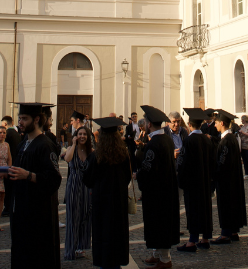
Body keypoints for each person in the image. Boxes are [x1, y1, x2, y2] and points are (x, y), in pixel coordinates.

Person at [8, 102, 63, 269]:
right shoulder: (23, 143)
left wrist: (29, 176)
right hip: (22, 209)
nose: (20, 122)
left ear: (37, 119)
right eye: (19, 118)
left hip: (39, 213)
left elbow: (54, 179)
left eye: (24, 118)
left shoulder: (45, 145)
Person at [83, 117, 132, 269]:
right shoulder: (123, 156)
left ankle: (104, 263)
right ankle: (116, 263)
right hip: (118, 201)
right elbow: (128, 177)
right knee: (118, 233)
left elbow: (87, 179)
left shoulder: (96, 156)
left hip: (101, 203)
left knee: (102, 234)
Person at [135, 105, 180, 269]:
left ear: (148, 125)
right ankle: (157, 254)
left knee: (159, 224)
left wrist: (138, 175)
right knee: (160, 223)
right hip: (166, 188)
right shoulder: (166, 139)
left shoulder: (154, 144)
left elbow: (147, 169)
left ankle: (165, 259)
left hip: (157, 192)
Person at [177, 107, 215, 253]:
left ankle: (192, 241)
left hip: (192, 184)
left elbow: (183, 163)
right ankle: (205, 239)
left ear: (189, 124)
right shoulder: (207, 140)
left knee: (192, 210)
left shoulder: (189, 140)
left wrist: (181, 179)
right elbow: (212, 162)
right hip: (205, 182)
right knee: (205, 209)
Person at [211, 110, 247, 244]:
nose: (214, 125)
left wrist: (215, 174)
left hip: (226, 181)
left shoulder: (226, 141)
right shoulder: (231, 139)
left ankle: (226, 233)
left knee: (226, 204)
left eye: (215, 123)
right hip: (233, 179)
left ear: (222, 123)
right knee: (233, 204)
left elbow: (222, 162)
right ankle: (233, 230)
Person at [63, 125, 94, 260]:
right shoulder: (72, 149)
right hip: (74, 184)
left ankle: (81, 246)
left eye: (84, 134)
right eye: (80, 134)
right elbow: (67, 159)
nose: (82, 136)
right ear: (76, 135)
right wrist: (74, 144)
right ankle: (70, 248)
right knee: (73, 217)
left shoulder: (90, 151)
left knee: (85, 215)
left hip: (86, 186)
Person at [1, 115, 22, 218]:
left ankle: (7, 208)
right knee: (13, 188)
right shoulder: (16, 134)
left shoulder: (7, 134)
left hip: (8, 164)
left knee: (7, 188)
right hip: (16, 163)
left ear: (5, 124)